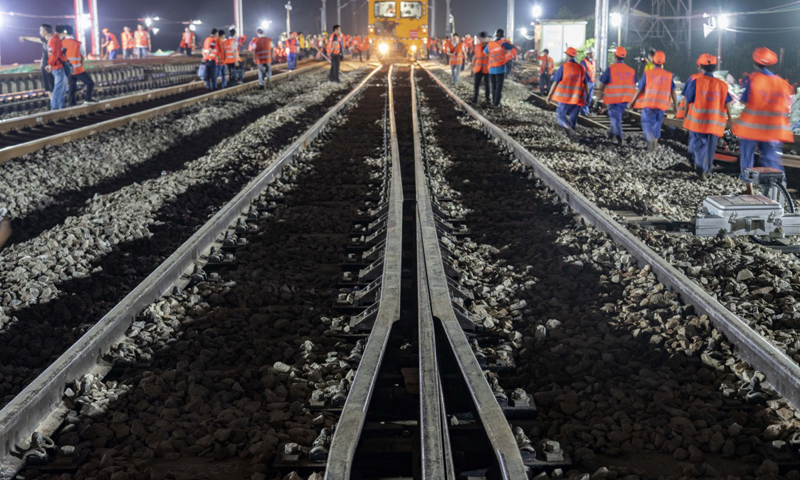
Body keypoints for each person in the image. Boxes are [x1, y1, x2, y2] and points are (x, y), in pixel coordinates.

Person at [732, 47, 794, 193]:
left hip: (752, 128)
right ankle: (778, 191)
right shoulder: (781, 83)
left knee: (747, 157)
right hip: (773, 129)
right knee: (771, 160)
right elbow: (787, 105)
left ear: (755, 62)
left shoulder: (755, 80)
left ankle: (749, 187)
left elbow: (745, 101)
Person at [682, 54, 733, 180]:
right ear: (715, 67)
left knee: (700, 146)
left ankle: (701, 170)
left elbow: (688, 100)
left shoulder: (696, 82)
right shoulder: (722, 84)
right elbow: (727, 103)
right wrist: (730, 119)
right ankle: (708, 169)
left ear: (700, 66)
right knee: (711, 147)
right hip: (715, 122)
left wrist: (685, 117)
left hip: (699, 121)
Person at [628, 50, 677, 151]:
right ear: (663, 62)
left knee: (646, 122)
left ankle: (649, 138)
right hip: (662, 105)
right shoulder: (668, 75)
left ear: (653, 61)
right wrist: (675, 105)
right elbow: (673, 91)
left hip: (649, 104)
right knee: (657, 124)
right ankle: (654, 145)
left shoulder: (648, 73)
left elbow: (640, 90)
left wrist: (632, 102)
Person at [546, 46, 590, 140]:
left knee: (560, 116)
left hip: (564, 99)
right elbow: (586, 84)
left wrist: (549, 95)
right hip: (577, 99)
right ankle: (572, 137)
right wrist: (588, 97)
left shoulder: (564, 67)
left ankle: (568, 129)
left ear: (567, 55)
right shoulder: (581, 68)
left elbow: (555, 82)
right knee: (573, 119)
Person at [597, 47, 636, 146]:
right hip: (625, 99)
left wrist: (601, 94)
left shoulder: (611, 69)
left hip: (613, 98)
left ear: (615, 57)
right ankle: (611, 134)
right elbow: (634, 85)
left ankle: (619, 137)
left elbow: (602, 85)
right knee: (616, 116)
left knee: (615, 118)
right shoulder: (630, 70)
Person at [62, 25, 95, 107]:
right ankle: (87, 99)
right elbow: (83, 55)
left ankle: (71, 104)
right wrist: (82, 64)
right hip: (77, 69)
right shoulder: (77, 43)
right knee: (90, 83)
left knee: (72, 86)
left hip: (68, 70)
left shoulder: (62, 43)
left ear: (65, 33)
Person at [18, 25, 55, 97]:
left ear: (46, 32)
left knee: (51, 87)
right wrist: (25, 37)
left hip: (49, 66)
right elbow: (35, 39)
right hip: (48, 66)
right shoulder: (46, 40)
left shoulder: (52, 41)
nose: (40, 32)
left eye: (41, 30)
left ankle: (55, 104)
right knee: (49, 87)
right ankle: (54, 104)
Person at [485, 28, 516, 107]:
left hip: (491, 69)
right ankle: (496, 103)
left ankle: (494, 101)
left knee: (493, 86)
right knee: (499, 87)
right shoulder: (503, 43)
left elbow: (485, 52)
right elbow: (510, 47)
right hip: (500, 69)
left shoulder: (490, 44)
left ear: (495, 35)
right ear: (503, 35)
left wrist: (492, 57)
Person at [45, 24, 67, 110]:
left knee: (61, 88)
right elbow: (55, 54)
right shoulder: (56, 40)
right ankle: (55, 108)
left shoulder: (53, 40)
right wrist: (50, 64)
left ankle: (61, 106)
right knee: (59, 88)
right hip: (58, 67)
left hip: (57, 67)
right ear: (62, 32)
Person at [472, 32, 491, 104]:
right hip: (478, 68)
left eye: (481, 38)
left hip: (487, 69)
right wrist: (473, 65)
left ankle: (488, 99)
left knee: (487, 85)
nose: (480, 39)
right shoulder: (477, 46)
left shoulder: (490, 46)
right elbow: (476, 56)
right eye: (479, 38)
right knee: (476, 85)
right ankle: (475, 98)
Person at [580, 47, 596, 115]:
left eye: (593, 53)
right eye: (591, 53)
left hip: (592, 82)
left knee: (589, 98)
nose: (592, 54)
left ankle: (587, 110)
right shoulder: (584, 62)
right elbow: (583, 73)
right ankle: (583, 111)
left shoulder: (593, 62)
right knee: (585, 97)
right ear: (588, 54)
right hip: (586, 82)